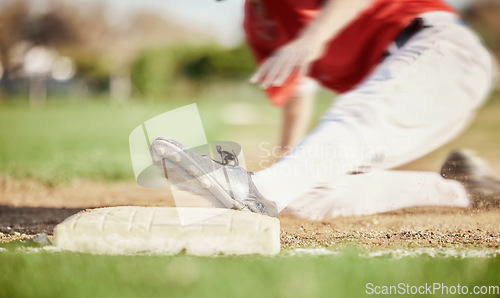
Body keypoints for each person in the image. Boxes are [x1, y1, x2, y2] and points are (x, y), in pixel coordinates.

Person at [150, 0, 498, 219]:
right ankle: (465, 187)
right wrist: (287, 165)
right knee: (305, 194)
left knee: (357, 115)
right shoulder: (259, 23)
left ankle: (256, 190)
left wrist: (312, 38)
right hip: (408, 92)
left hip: (441, 55)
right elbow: (296, 96)